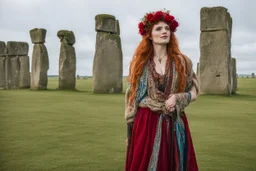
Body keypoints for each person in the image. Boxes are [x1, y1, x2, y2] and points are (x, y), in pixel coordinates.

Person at [125, 10, 199, 171]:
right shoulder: (140, 64)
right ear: (149, 35)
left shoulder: (183, 62)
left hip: (174, 122)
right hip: (146, 124)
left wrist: (180, 98)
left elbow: (194, 90)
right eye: (159, 28)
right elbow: (133, 98)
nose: (164, 31)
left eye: (167, 28)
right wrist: (130, 132)